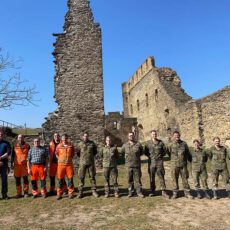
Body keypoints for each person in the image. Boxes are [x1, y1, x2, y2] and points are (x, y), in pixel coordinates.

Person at [167, 131, 193, 199]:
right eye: (175, 135)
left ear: (180, 135)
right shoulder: (170, 144)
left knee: (185, 178)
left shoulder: (184, 144)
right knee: (174, 179)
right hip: (174, 165)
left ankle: (187, 192)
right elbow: (168, 153)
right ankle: (175, 193)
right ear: (173, 136)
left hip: (183, 164)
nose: (176, 136)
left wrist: (190, 160)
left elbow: (187, 153)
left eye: (178, 135)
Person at [144, 130, 169, 198]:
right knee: (152, 177)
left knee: (161, 176)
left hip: (159, 162)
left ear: (156, 135)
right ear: (151, 135)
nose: (154, 135)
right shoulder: (147, 143)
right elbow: (146, 152)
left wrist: (159, 157)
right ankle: (152, 191)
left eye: (155, 134)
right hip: (151, 163)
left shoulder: (161, 142)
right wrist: (151, 157)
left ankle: (163, 191)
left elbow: (164, 151)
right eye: (153, 134)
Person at [121, 132, 144, 198]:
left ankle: (139, 192)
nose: (131, 137)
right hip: (128, 165)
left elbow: (141, 152)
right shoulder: (125, 145)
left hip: (136, 165)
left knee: (138, 179)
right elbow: (122, 153)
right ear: (128, 137)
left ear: (134, 136)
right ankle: (131, 192)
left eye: (132, 135)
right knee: (129, 179)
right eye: (130, 136)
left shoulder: (138, 144)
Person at [76, 132, 99, 198]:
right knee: (81, 177)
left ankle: (94, 191)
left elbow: (95, 152)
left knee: (92, 177)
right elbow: (78, 153)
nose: (86, 137)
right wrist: (82, 158)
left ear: (88, 136)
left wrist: (90, 157)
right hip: (82, 163)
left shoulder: (92, 143)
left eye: (87, 136)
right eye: (84, 136)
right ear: (82, 137)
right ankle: (80, 192)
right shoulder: (80, 144)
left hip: (90, 163)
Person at [56, 134, 75, 200]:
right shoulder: (58, 146)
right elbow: (57, 154)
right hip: (61, 165)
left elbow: (72, 154)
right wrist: (60, 160)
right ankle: (59, 194)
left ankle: (70, 193)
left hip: (69, 165)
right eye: (63, 138)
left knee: (70, 179)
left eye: (65, 138)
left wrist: (69, 159)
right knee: (60, 180)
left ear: (67, 138)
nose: (64, 139)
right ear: (61, 138)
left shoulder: (71, 145)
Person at [0, 129, 11, 200]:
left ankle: (4, 195)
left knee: (4, 180)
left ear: (3, 135)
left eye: (1, 134)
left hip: (4, 164)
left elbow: (8, 152)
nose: (0, 135)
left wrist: (1, 157)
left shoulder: (6, 143)